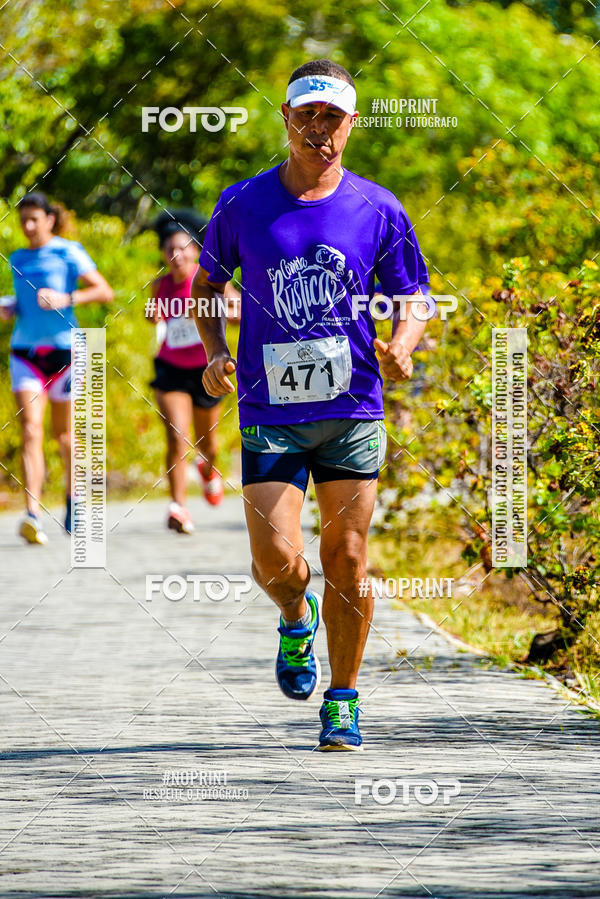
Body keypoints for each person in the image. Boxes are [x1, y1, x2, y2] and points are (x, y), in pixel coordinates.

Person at [191, 59, 434, 750]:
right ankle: (295, 619)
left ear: (352, 125)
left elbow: (413, 294)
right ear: (286, 119)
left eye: (333, 116)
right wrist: (213, 353)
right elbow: (206, 285)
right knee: (275, 560)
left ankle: (344, 698)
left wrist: (405, 342)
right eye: (307, 114)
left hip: (354, 403)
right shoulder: (243, 204)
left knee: (350, 557)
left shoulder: (378, 207)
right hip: (269, 406)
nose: (319, 128)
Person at [2, 192, 113, 545]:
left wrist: (68, 298)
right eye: (23, 221)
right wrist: (11, 306)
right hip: (25, 352)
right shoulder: (17, 258)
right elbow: (24, 301)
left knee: (64, 436)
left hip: (67, 353)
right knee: (31, 430)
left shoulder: (68, 252)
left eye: (35, 219)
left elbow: (104, 291)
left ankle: (73, 499)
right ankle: (32, 512)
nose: (29, 226)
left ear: (50, 219)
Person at [146, 211, 240, 534]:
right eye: (170, 249)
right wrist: (154, 314)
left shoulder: (207, 279)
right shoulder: (160, 285)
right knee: (175, 436)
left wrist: (215, 309)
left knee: (208, 443)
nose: (177, 255)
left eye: (184, 248)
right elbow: (152, 316)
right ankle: (178, 507)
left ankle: (209, 469)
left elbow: (239, 311)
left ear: (196, 250)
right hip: (171, 368)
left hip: (206, 369)